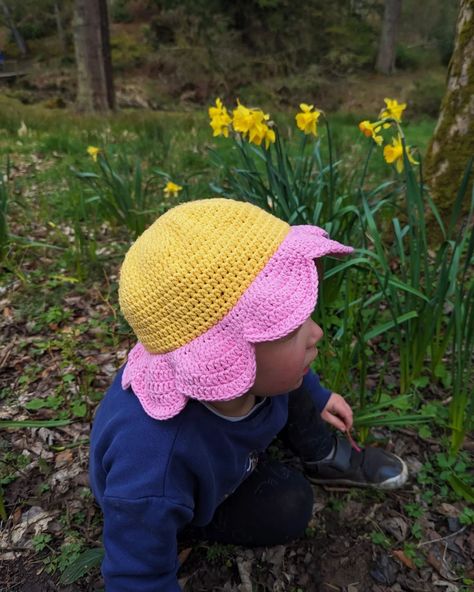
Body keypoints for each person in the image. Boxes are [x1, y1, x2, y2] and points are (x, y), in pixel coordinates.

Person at [89, 198, 408, 591]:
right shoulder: (156, 464)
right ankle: (200, 518)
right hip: (183, 493)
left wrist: (320, 396)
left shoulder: (266, 372)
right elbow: (135, 575)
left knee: (291, 376)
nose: (317, 333)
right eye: (290, 328)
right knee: (289, 504)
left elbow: (291, 373)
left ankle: (320, 452)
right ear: (222, 355)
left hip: (250, 405)